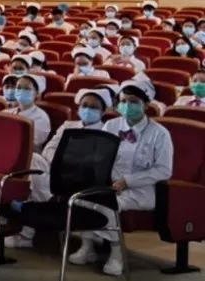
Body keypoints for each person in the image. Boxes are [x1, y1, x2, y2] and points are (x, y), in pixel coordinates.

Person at [70, 80, 173, 276]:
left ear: (146, 104)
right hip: (110, 185)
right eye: (123, 101)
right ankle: (87, 246)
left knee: (108, 204)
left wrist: (127, 181)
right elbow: (99, 156)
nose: (127, 105)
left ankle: (116, 254)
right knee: (83, 198)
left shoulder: (160, 134)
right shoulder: (111, 125)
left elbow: (164, 170)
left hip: (142, 190)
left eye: (133, 101)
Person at [4, 87, 114, 249]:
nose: (87, 110)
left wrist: (70, 160)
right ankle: (42, 203)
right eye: (84, 105)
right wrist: (63, 161)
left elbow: (97, 161)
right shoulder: (68, 125)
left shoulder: (106, 131)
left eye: (94, 107)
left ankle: (28, 229)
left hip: (81, 178)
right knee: (33, 159)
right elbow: (49, 149)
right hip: (56, 169)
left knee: (36, 181)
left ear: (103, 111)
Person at [7, 74, 51, 152]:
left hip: (30, 156)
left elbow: (30, 144)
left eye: (27, 88)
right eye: (18, 88)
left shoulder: (41, 118)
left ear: (37, 93)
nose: (21, 91)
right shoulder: (6, 113)